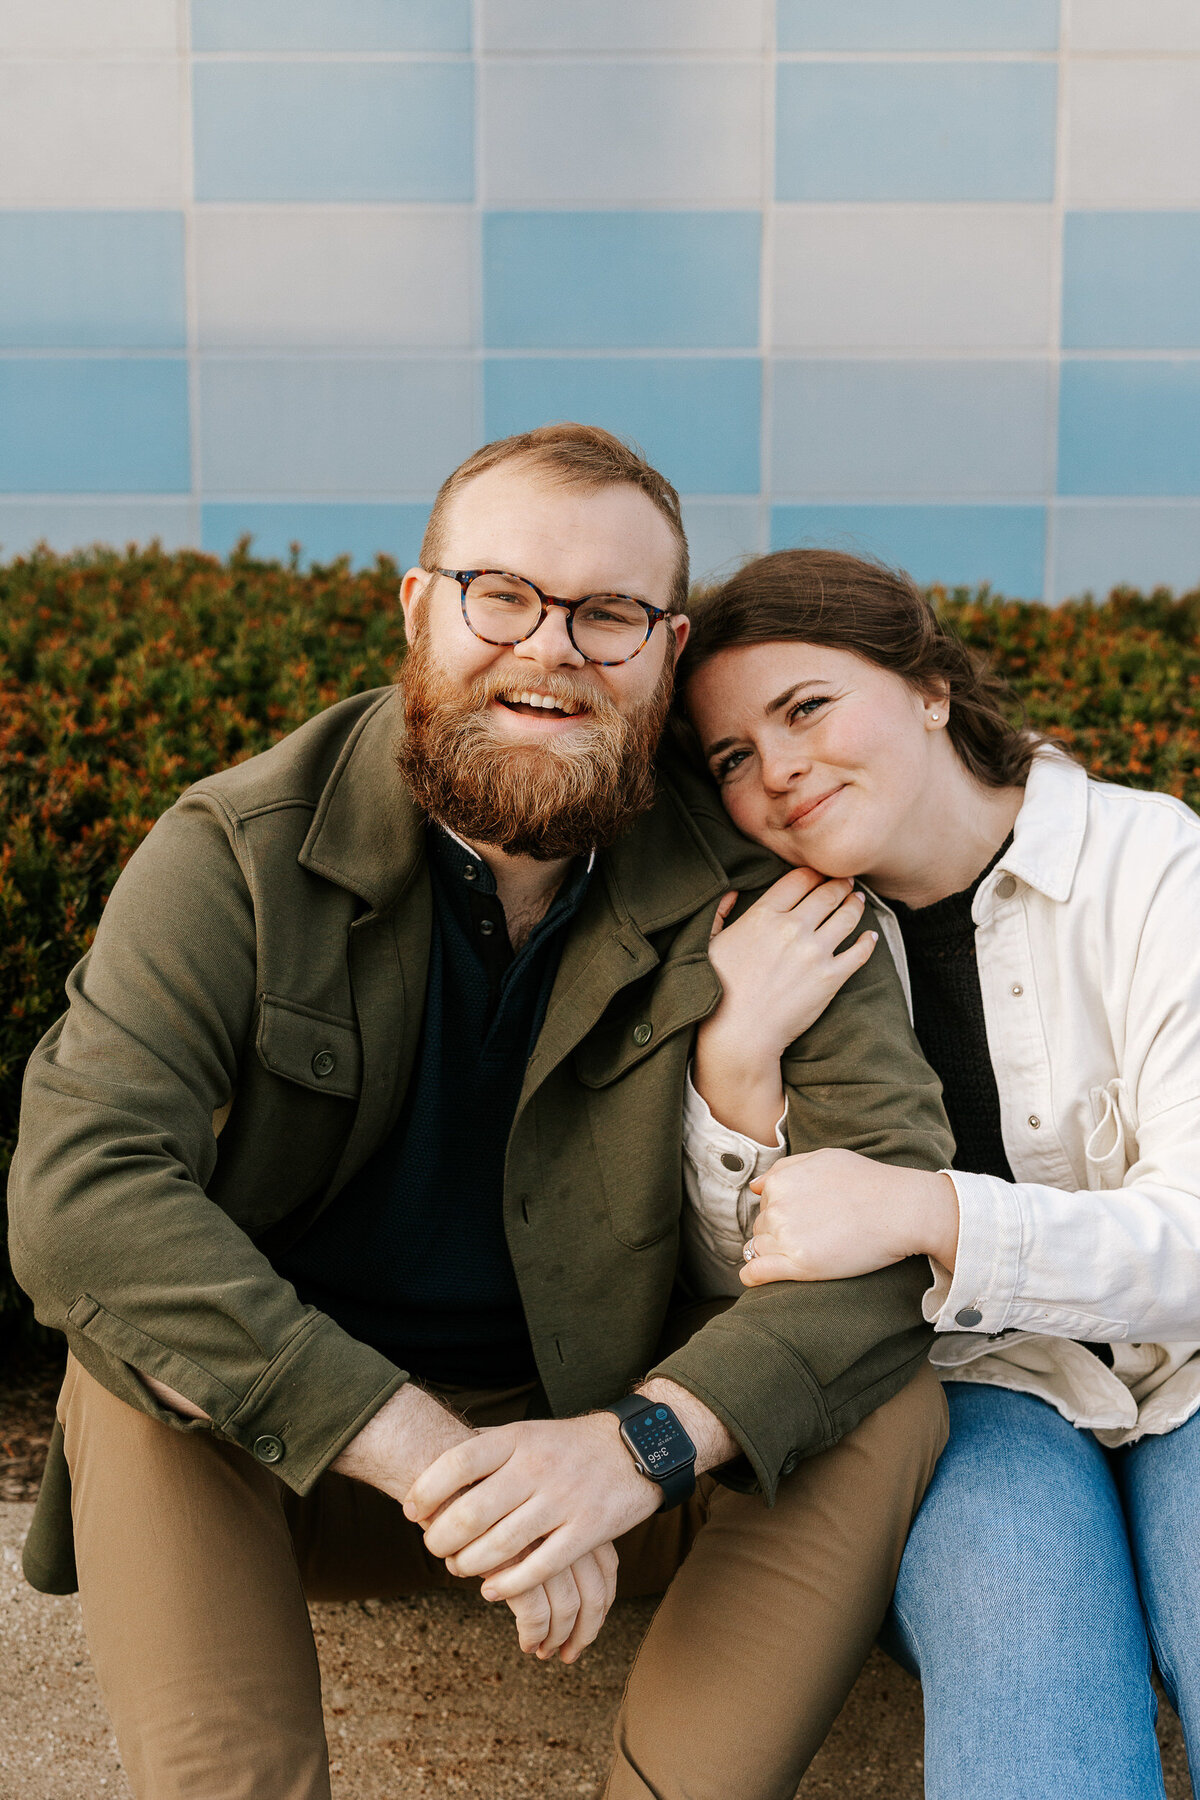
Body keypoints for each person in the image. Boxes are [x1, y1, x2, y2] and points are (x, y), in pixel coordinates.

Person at [8, 434, 953, 1800]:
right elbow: (81, 1198)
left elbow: (891, 1235)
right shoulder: (238, 850)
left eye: (609, 615)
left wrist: (634, 1450)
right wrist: (431, 1454)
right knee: (137, 1352)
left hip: (635, 1486)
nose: (552, 648)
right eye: (500, 593)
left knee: (888, 1407)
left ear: (668, 648)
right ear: (418, 609)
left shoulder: (768, 886)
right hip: (306, 1466)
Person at [674, 544, 1200, 1799]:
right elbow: (742, 1287)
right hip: (958, 1392)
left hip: (1193, 1370)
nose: (781, 770)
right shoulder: (775, 943)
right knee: (1024, 1620)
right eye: (735, 757)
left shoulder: (1152, 866)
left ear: (928, 686)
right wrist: (737, 1059)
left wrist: (928, 1210)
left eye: (805, 708)